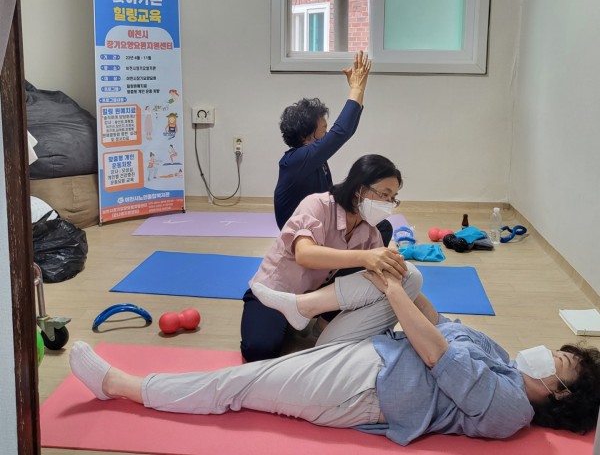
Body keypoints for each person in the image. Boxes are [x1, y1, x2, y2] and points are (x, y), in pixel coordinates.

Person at [70, 270, 600, 446]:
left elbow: (437, 351)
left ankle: (119, 385)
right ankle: (301, 308)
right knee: (411, 275)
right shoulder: (505, 361)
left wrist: (393, 292)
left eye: (559, 361)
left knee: (240, 384)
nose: (548, 353)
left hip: (363, 389)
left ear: (559, 393)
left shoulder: (511, 410)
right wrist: (397, 276)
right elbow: (438, 325)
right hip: (377, 351)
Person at [240, 154, 422, 362]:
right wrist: (365, 257)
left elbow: (390, 275)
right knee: (259, 350)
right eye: (385, 194)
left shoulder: (370, 230)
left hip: (315, 294)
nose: (388, 204)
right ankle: (294, 315)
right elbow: (304, 254)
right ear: (359, 189)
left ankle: (320, 321)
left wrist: (430, 317)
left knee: (375, 270)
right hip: (275, 291)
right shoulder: (318, 205)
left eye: (393, 198)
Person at [274, 50, 373, 230]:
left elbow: (347, 131)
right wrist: (356, 89)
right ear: (306, 136)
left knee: (379, 226)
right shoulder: (297, 160)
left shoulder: (313, 159)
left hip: (320, 222)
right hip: (301, 234)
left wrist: (360, 90)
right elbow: (340, 133)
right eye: (323, 130)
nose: (327, 134)